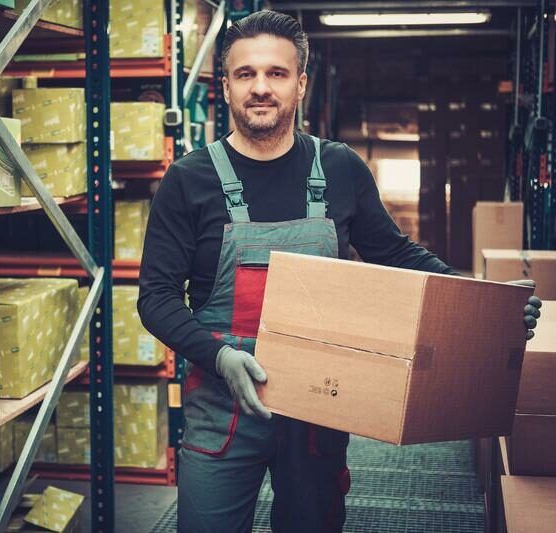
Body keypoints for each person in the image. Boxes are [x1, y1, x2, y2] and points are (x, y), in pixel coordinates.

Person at [137, 10, 541, 533]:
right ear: (227, 86)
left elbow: (395, 253)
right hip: (222, 405)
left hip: (320, 406)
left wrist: (486, 305)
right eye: (245, 73)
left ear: (301, 84)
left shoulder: (340, 169)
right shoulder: (187, 180)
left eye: (277, 73)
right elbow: (157, 297)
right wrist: (219, 357)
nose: (261, 88)